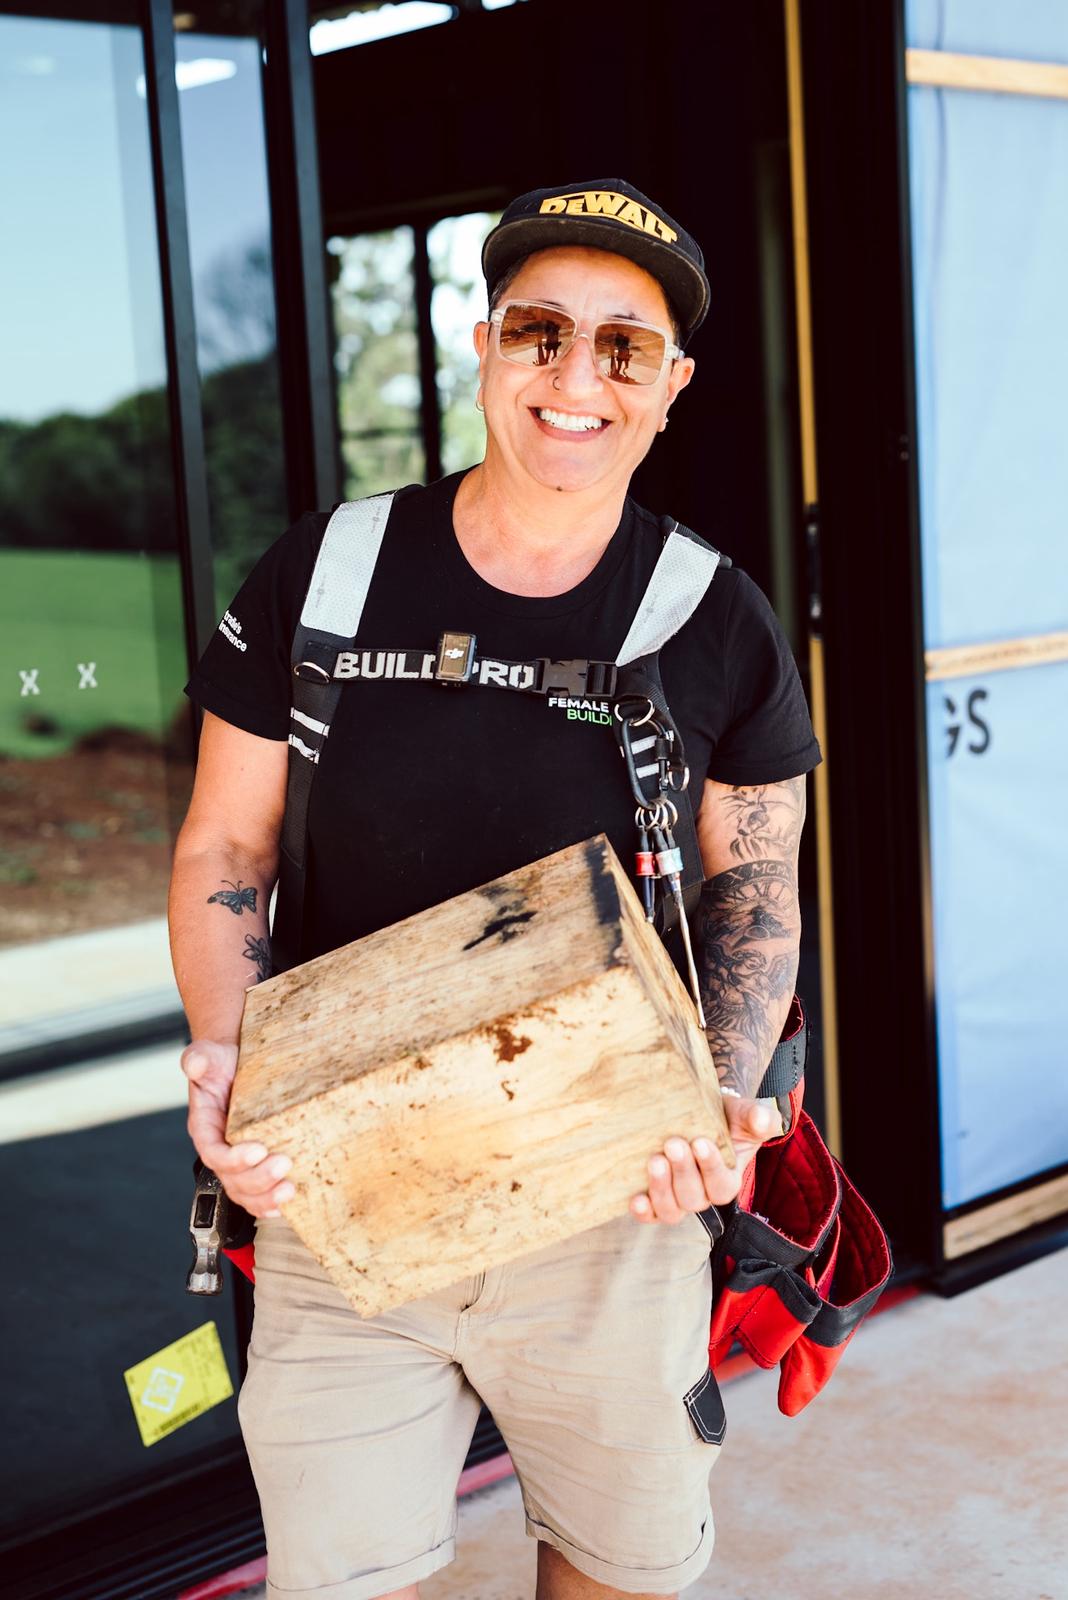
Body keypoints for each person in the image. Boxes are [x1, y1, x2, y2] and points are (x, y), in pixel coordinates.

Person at [169, 178, 821, 1600]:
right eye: (539, 330)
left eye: (622, 346)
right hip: (342, 1189)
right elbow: (227, 849)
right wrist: (228, 1057)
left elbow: (753, 887)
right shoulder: (325, 574)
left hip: (616, 1200)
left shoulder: (716, 617)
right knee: (347, 1578)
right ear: (483, 345)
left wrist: (718, 1099)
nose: (573, 377)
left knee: (617, 1567)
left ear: (674, 383)